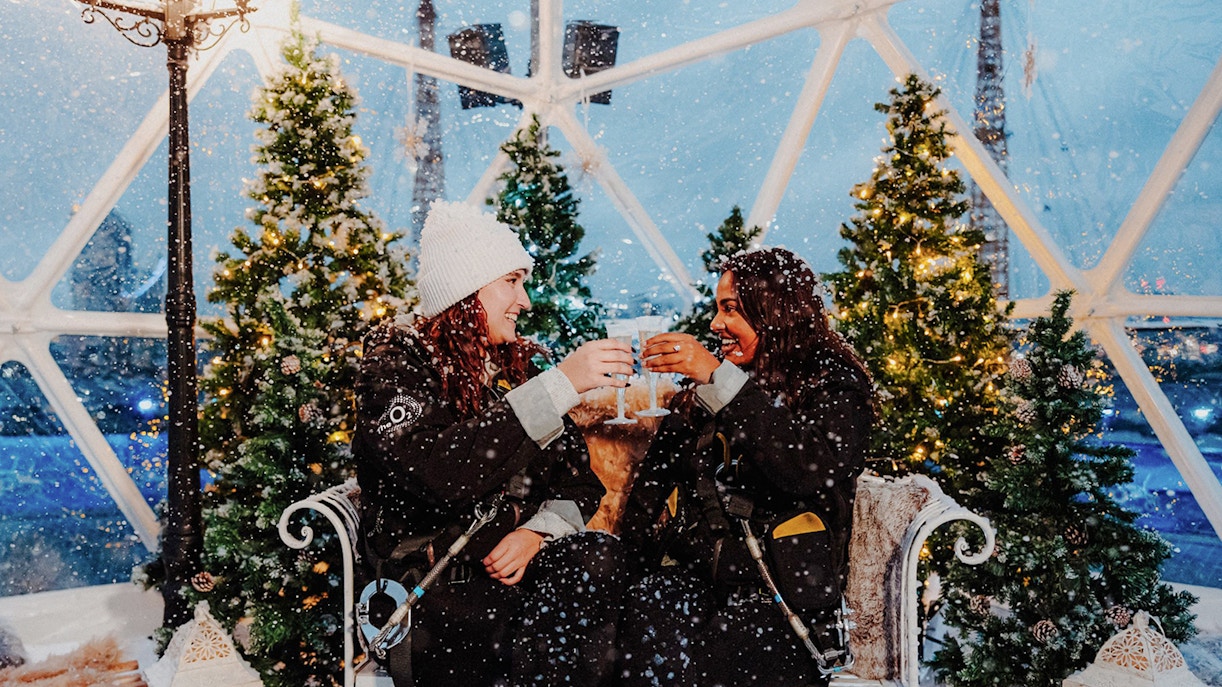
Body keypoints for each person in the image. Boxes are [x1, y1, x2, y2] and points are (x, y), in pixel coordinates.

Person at [352, 200, 631, 687]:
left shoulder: (503, 372)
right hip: (439, 593)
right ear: (466, 289)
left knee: (602, 561)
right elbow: (439, 474)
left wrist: (536, 534)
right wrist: (560, 383)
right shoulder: (399, 363)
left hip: (514, 588)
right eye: (511, 281)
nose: (525, 301)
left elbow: (579, 482)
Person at [617, 247, 873, 687]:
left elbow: (809, 469)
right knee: (645, 615)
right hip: (700, 581)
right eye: (718, 309)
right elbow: (651, 489)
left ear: (776, 310)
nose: (716, 324)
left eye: (730, 309)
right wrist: (623, 573)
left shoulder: (832, 382)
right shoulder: (713, 386)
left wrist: (721, 382)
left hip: (782, 598)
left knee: (720, 652)